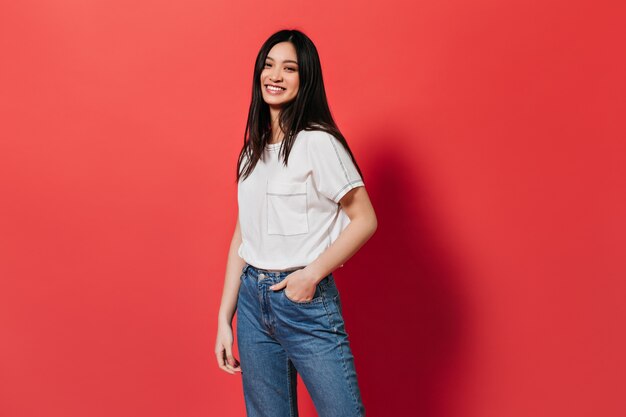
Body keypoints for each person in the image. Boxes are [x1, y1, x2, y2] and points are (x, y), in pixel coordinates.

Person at [215, 28, 377, 417]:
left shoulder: (317, 143)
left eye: (289, 69)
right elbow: (243, 235)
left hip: (302, 300)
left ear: (305, 80)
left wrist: (312, 275)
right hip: (253, 303)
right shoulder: (250, 153)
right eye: (268, 66)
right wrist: (225, 316)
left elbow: (365, 219)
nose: (275, 76)